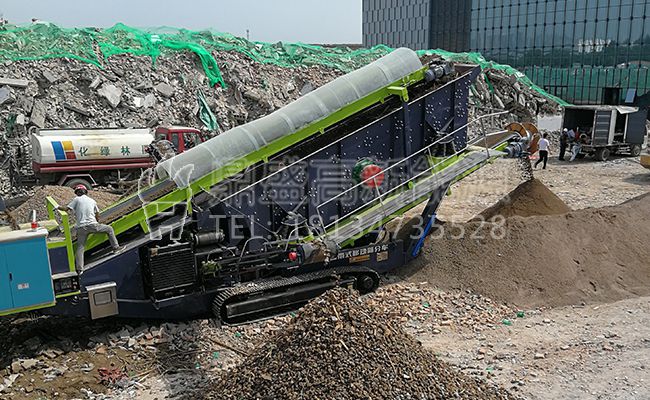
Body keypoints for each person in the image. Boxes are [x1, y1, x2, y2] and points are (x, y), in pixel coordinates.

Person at [58, 184, 124, 271]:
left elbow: (66, 209)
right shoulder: (92, 200)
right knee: (109, 229)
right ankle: (116, 248)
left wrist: (57, 207)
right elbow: (97, 214)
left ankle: (79, 269)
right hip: (93, 225)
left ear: (77, 192)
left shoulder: (76, 199)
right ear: (86, 192)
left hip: (81, 228)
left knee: (80, 247)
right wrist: (97, 222)